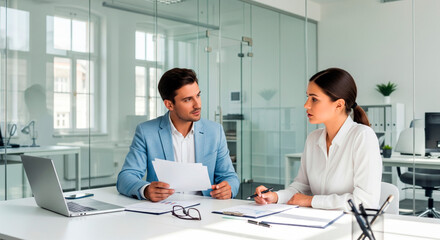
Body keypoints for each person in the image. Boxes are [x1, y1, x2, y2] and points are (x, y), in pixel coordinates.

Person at [254, 68, 382, 211]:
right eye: (307, 97)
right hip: (317, 222)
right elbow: (301, 187)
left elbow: (365, 202)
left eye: (314, 99)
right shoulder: (313, 138)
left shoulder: (362, 136)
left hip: (350, 227)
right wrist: (276, 197)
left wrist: (311, 201)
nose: (306, 105)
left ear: (339, 105)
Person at [117, 68, 239, 202]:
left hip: (205, 210)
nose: (197, 105)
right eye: (188, 100)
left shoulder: (215, 131)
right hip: (163, 212)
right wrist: (145, 190)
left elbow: (230, 177)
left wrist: (228, 188)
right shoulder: (147, 132)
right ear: (169, 104)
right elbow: (125, 177)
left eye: (198, 95)